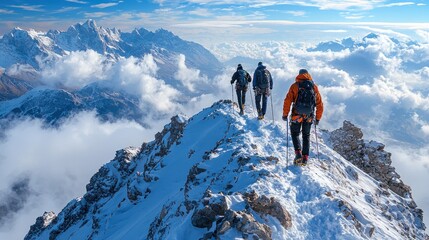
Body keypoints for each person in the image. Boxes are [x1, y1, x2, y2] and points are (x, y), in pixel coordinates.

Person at [282, 69, 324, 166]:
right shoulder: (314, 87)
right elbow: (320, 104)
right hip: (308, 116)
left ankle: (298, 154)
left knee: (295, 133)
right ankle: (305, 158)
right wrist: (317, 118)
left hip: (297, 115)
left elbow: (287, 101)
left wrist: (285, 114)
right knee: (306, 136)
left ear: (299, 75)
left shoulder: (295, 86)